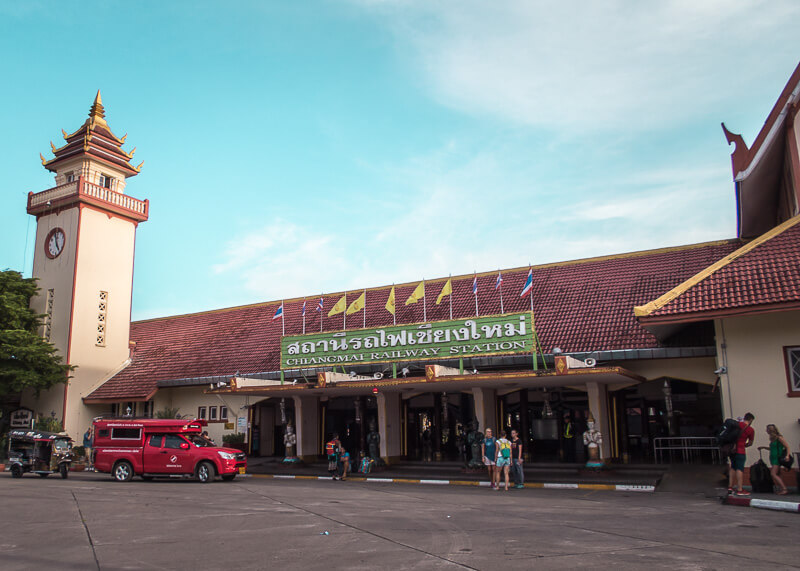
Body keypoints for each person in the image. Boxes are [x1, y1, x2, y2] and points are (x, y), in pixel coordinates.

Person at [757, 424, 792, 495]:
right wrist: (763, 447)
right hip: (773, 458)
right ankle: (781, 488)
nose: (766, 431)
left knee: (773, 473)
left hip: (777, 458)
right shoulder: (773, 439)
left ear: (770, 430)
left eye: (767, 429)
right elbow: (772, 448)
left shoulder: (779, 438)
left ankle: (784, 489)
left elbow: (787, 446)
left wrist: (787, 455)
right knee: (778, 473)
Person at [728, 412, 755, 496]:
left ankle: (730, 487)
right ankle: (740, 489)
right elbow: (750, 443)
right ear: (750, 420)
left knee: (733, 467)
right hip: (740, 451)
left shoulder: (737, 424)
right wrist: (743, 445)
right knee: (740, 468)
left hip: (731, 450)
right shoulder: (750, 430)